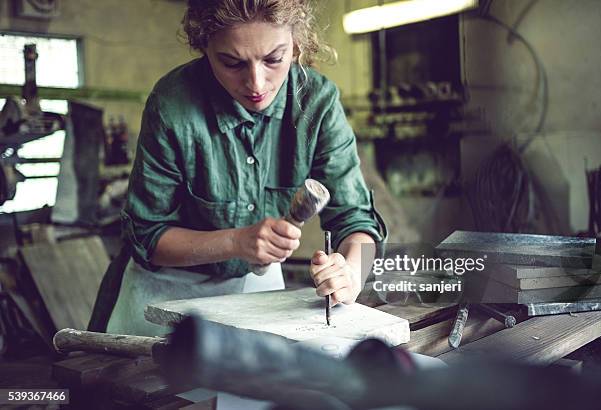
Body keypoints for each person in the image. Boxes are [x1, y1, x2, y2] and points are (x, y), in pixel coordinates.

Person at [90, 0, 387, 337]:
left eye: (274, 59)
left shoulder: (317, 102)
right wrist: (235, 241)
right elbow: (148, 235)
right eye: (232, 63)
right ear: (204, 47)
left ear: (297, 44)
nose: (256, 84)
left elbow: (357, 222)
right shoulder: (172, 103)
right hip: (165, 292)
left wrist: (350, 271)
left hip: (256, 289)